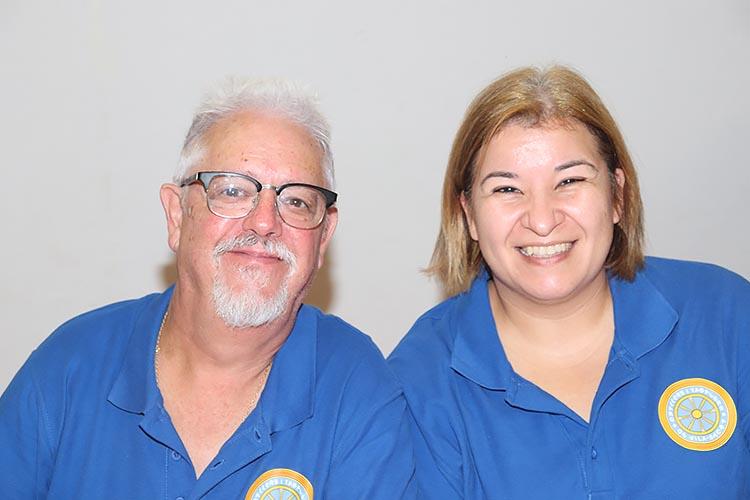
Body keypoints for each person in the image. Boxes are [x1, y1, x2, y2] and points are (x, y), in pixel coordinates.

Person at [0, 79, 416, 498]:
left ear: (323, 238)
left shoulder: (357, 390)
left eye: (297, 201)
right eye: (233, 190)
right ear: (177, 216)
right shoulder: (69, 366)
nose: (264, 222)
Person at [388, 66, 750, 498]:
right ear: (469, 216)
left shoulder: (726, 315)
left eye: (570, 181)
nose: (542, 220)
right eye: (507, 190)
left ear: (617, 196)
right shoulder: (418, 382)